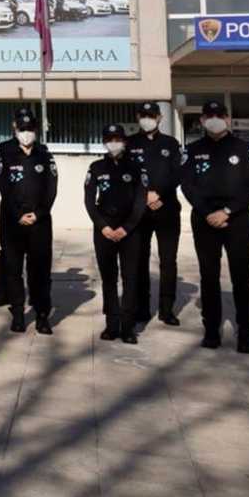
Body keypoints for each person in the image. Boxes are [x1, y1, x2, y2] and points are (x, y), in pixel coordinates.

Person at [180, 100, 249, 353]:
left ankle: (245, 332)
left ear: (227, 119)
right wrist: (208, 213)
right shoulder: (192, 150)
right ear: (202, 120)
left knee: (240, 276)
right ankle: (211, 330)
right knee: (209, 277)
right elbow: (188, 185)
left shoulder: (245, 149)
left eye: (219, 115)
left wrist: (227, 211)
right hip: (204, 221)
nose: (214, 119)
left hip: (237, 220)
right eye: (209, 115)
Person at [0, 108, 57, 335]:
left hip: (40, 223)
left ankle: (42, 315)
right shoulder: (4, 151)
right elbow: (1, 184)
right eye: (22, 128)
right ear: (15, 128)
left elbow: (51, 188)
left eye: (30, 129)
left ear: (36, 130)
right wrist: (18, 214)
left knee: (40, 270)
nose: (26, 133)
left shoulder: (44, 152)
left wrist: (38, 214)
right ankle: (18, 313)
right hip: (12, 221)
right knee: (13, 268)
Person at [85, 124, 147, 344]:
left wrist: (127, 227)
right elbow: (89, 201)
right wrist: (103, 226)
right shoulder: (96, 167)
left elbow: (141, 201)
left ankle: (128, 327)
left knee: (130, 278)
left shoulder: (137, 168)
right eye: (109, 139)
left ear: (125, 141)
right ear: (104, 141)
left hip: (130, 229)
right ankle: (112, 324)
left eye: (118, 139)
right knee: (108, 278)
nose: (114, 143)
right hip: (104, 228)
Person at [126, 101, 183, 326]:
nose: (147, 119)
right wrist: (144, 196)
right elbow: (126, 177)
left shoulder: (171, 143)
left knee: (168, 261)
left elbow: (178, 174)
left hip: (167, 210)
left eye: (152, 115)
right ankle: (141, 308)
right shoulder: (129, 144)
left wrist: (158, 194)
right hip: (139, 212)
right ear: (138, 117)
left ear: (159, 118)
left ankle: (167, 309)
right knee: (139, 260)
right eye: (143, 115)